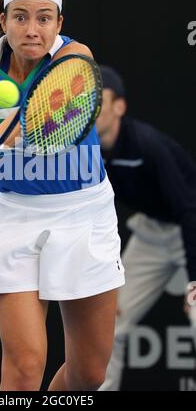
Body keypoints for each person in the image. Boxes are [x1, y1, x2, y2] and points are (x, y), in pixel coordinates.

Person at [0, 0, 125, 391]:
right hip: (17, 218)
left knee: (89, 375)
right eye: (20, 17)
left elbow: (35, 115)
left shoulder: (76, 56)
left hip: (84, 215)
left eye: (43, 18)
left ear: (59, 23)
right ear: (3, 22)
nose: (32, 29)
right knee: (22, 370)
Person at [96, 65, 196, 391]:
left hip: (190, 227)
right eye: (87, 101)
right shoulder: (85, 151)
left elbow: (188, 210)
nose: (92, 109)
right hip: (151, 236)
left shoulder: (148, 146)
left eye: (101, 100)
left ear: (119, 107)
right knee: (108, 323)